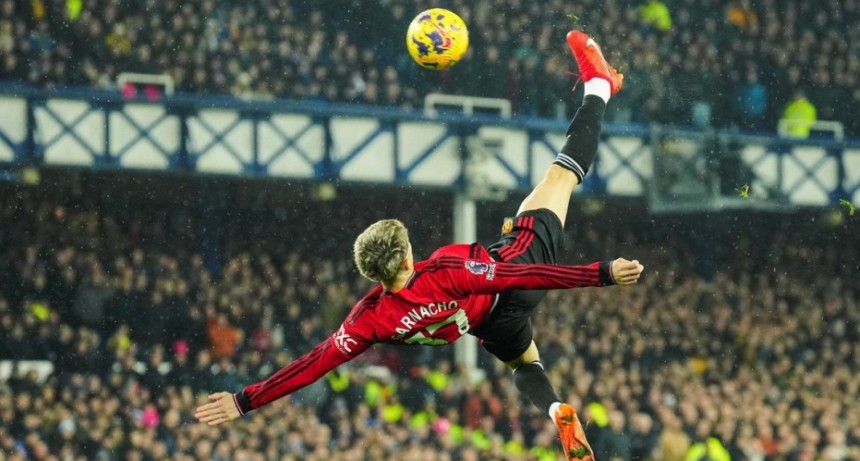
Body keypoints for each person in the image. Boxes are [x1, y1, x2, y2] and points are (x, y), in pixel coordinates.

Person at [195, 30, 642, 461]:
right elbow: (519, 275)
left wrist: (245, 400)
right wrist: (601, 273)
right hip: (515, 276)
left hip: (491, 327)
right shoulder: (445, 269)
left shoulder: (369, 319)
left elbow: (313, 364)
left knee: (524, 364)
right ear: (408, 254)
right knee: (560, 176)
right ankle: (600, 86)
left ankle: (555, 409)